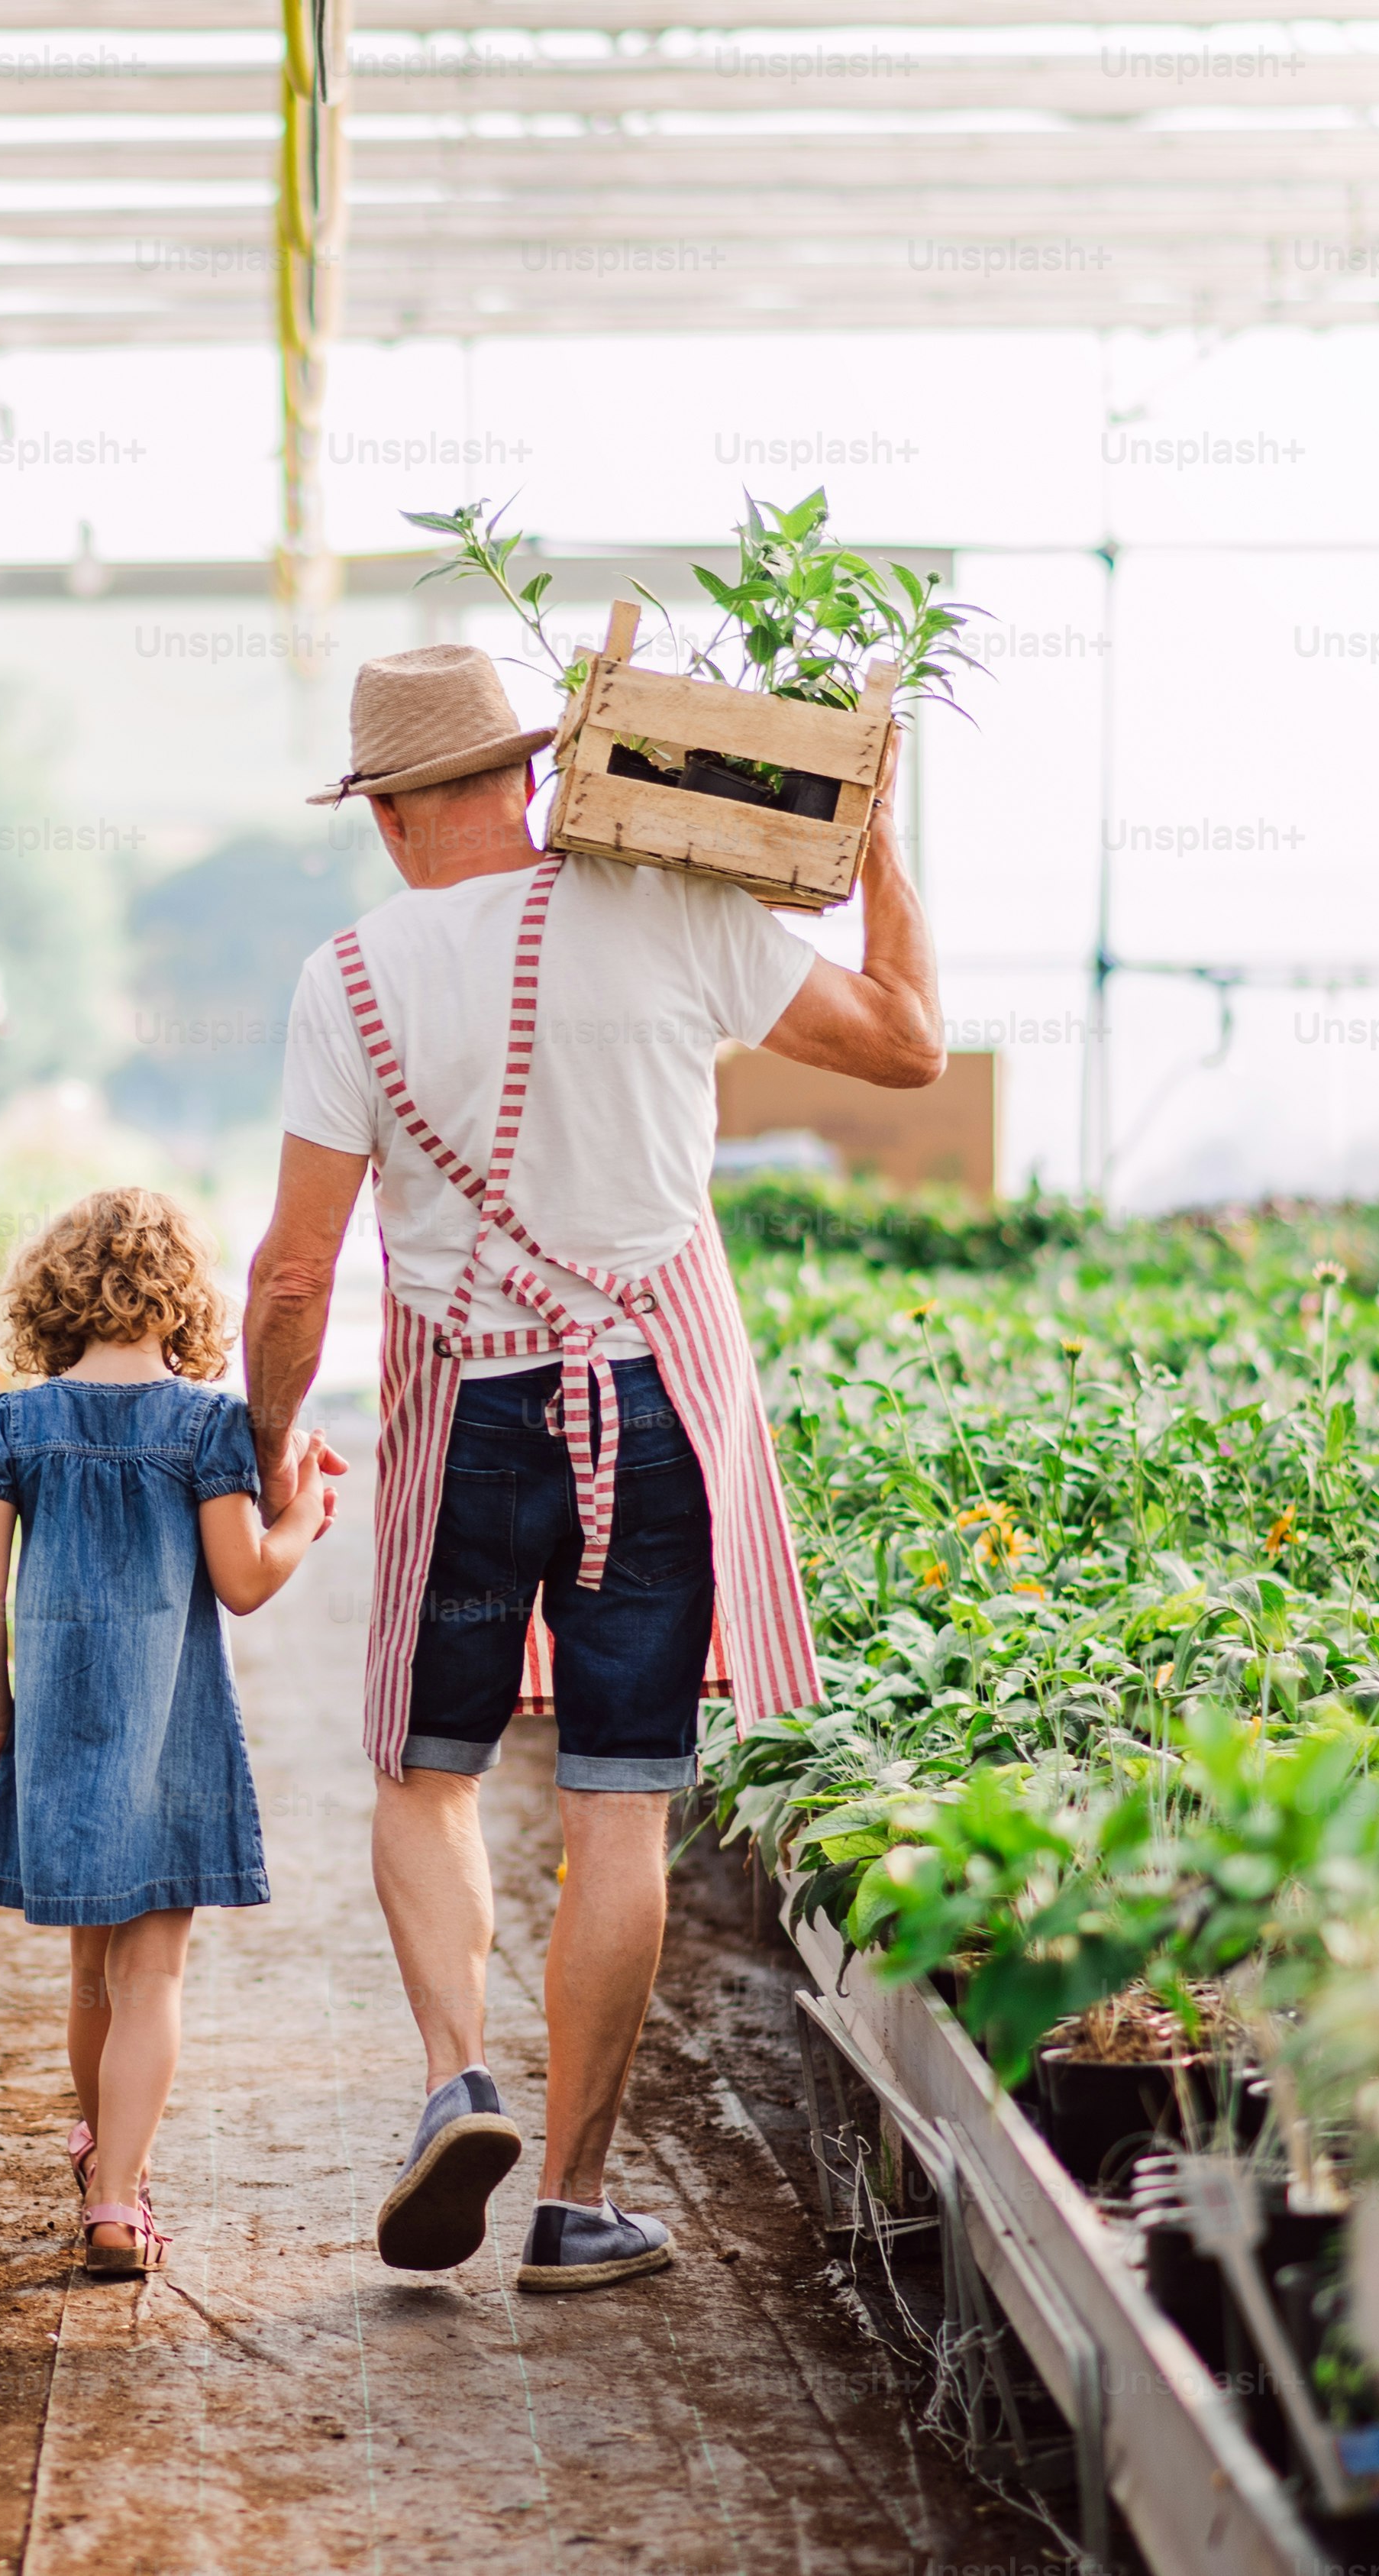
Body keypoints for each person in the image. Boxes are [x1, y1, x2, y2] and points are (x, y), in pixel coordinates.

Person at [244, 644, 945, 2291]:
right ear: (528, 775)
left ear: (394, 816)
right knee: (621, 1800)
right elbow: (911, 1042)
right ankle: (571, 2198)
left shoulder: (348, 976)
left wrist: (271, 1443)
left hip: (468, 1411)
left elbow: (291, 1277)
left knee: (424, 1771)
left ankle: (450, 2085)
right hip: (654, 1402)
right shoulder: (674, 913)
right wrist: (879, 843)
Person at [0, 1187, 345, 2279]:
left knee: (92, 1970)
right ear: (182, 1300)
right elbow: (246, 1579)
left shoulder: (12, 1423)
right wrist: (302, 1513)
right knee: (153, 1976)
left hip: (65, 1721)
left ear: (56, 1293)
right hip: (169, 1724)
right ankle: (118, 2198)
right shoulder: (206, 1424)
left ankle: (99, 2161)